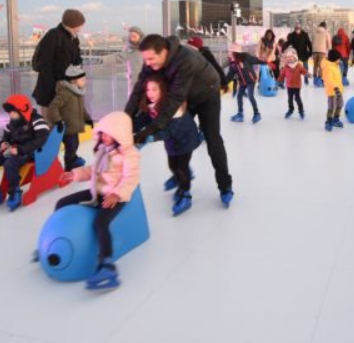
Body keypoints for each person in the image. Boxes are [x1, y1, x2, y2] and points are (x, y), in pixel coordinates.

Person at [125, 34, 234, 207]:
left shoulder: (185, 60)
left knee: (212, 140)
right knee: (175, 136)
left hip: (206, 94)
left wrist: (151, 129)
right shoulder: (152, 61)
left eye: (151, 58)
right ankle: (182, 173)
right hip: (185, 96)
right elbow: (139, 89)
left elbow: (175, 98)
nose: (148, 63)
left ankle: (225, 185)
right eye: (145, 59)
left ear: (164, 52)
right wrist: (126, 118)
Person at [56, 111, 141, 290]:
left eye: (108, 133)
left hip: (115, 196)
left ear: (120, 134)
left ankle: (107, 265)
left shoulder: (130, 154)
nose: (104, 136)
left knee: (100, 222)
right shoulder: (103, 151)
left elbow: (131, 178)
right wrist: (73, 175)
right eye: (102, 132)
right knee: (61, 203)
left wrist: (117, 194)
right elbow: (91, 171)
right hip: (97, 192)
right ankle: (57, 239)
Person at [133, 74, 203, 216]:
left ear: (163, 90)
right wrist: (126, 129)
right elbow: (142, 120)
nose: (150, 93)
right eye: (148, 90)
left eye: (154, 90)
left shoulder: (173, 107)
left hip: (185, 139)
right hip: (172, 142)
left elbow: (169, 131)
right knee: (172, 165)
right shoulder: (151, 104)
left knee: (181, 167)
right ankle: (183, 176)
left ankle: (186, 195)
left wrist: (151, 138)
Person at [0, 94, 51, 212]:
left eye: (13, 112)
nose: (10, 115)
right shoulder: (12, 122)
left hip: (30, 152)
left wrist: (21, 150)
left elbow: (42, 140)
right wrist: (3, 143)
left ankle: (14, 191)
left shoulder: (38, 120)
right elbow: (6, 136)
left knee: (10, 163)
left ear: (23, 109)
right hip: (13, 150)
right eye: (9, 112)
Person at [32, 9, 84, 113]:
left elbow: (77, 58)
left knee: (66, 125)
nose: (81, 28)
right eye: (80, 25)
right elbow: (45, 65)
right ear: (72, 24)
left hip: (67, 90)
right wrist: (54, 91)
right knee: (52, 123)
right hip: (51, 93)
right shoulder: (53, 36)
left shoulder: (73, 37)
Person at [43, 64, 94, 172]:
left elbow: (82, 109)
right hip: (66, 127)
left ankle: (73, 160)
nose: (85, 81)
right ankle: (69, 165)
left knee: (75, 144)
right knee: (71, 146)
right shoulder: (65, 93)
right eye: (82, 79)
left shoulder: (77, 92)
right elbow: (53, 107)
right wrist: (58, 121)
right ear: (73, 81)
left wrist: (87, 119)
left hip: (73, 127)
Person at [224, 43, 261, 124]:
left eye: (231, 52)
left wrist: (264, 61)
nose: (229, 53)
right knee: (239, 96)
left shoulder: (246, 58)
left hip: (250, 81)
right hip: (242, 82)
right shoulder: (233, 63)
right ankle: (240, 114)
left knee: (250, 96)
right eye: (229, 52)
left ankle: (256, 113)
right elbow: (230, 76)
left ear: (236, 52)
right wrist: (224, 83)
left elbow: (255, 60)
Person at [279, 47, 308, 119]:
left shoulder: (298, 65)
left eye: (291, 57)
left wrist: (308, 74)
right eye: (288, 58)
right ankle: (291, 109)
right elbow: (282, 75)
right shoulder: (286, 67)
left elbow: (304, 71)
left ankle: (301, 111)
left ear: (295, 58)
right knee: (290, 99)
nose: (289, 59)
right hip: (289, 86)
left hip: (297, 85)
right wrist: (278, 81)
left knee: (297, 98)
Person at [118, 26, 145, 98]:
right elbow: (120, 59)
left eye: (134, 36)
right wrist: (128, 74)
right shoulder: (127, 48)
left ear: (140, 36)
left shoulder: (146, 47)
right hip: (132, 80)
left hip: (146, 79)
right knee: (133, 100)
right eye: (130, 36)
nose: (132, 38)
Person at [322, 50, 346, 132]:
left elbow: (339, 76)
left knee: (340, 104)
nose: (340, 60)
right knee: (331, 107)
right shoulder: (328, 68)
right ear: (334, 59)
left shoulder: (335, 65)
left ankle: (336, 118)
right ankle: (328, 122)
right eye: (338, 59)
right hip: (332, 91)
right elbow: (329, 80)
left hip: (339, 90)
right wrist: (336, 88)